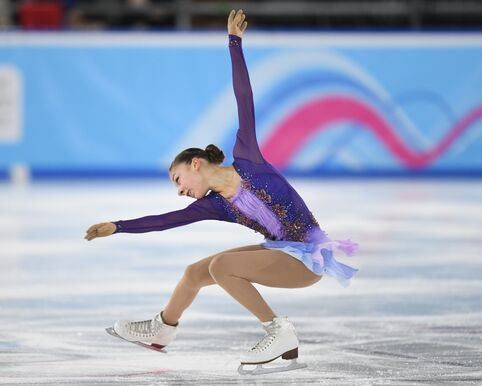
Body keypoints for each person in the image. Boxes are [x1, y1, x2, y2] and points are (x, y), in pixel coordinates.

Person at [85, 9, 359, 374]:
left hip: (307, 257)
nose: (179, 191)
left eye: (177, 179)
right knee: (196, 271)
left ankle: (279, 331)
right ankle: (163, 329)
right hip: (283, 251)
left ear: (196, 163)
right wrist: (117, 226)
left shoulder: (248, 158)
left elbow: (243, 96)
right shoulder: (215, 205)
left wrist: (234, 43)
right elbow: (163, 221)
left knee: (221, 265)